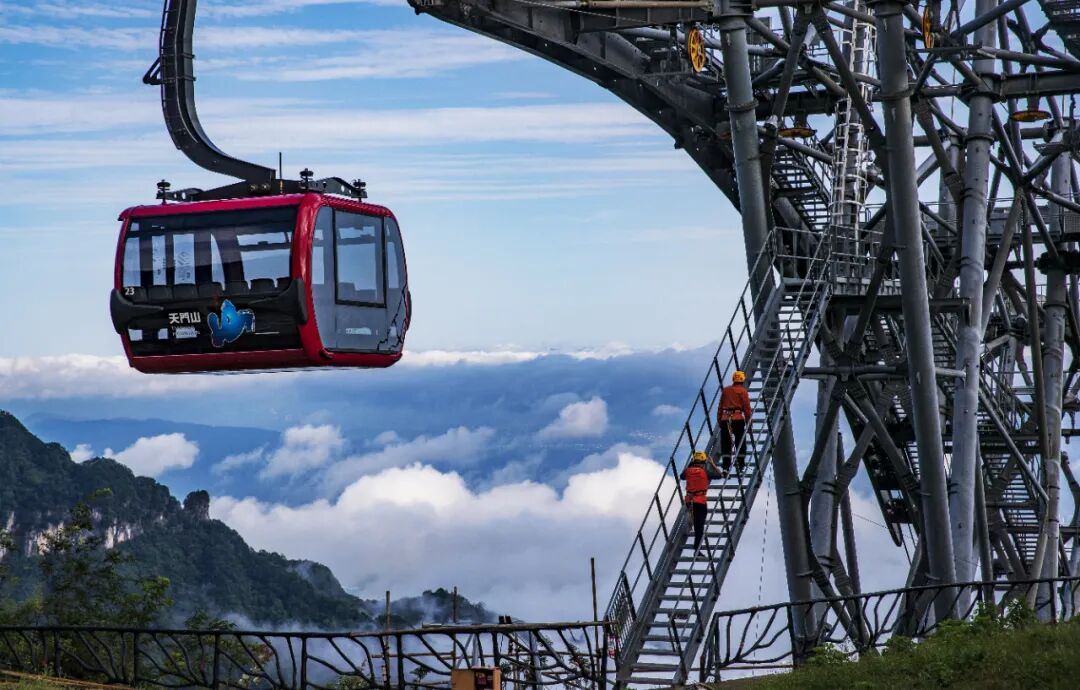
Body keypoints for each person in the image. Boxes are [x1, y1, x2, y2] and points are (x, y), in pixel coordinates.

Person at [682, 450, 720, 552]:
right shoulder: (705, 472)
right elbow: (720, 475)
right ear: (704, 461)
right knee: (699, 527)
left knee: (696, 519)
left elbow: (682, 477)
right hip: (700, 502)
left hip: (689, 500)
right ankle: (697, 550)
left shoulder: (688, 471)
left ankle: (691, 518)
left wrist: (691, 464)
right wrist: (712, 463)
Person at [718, 370, 752, 477]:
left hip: (725, 419)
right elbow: (747, 409)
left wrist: (720, 420)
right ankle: (740, 467)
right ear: (742, 380)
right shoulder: (743, 392)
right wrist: (749, 422)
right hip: (738, 419)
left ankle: (725, 468)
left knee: (726, 444)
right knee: (740, 444)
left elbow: (720, 407)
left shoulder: (726, 390)